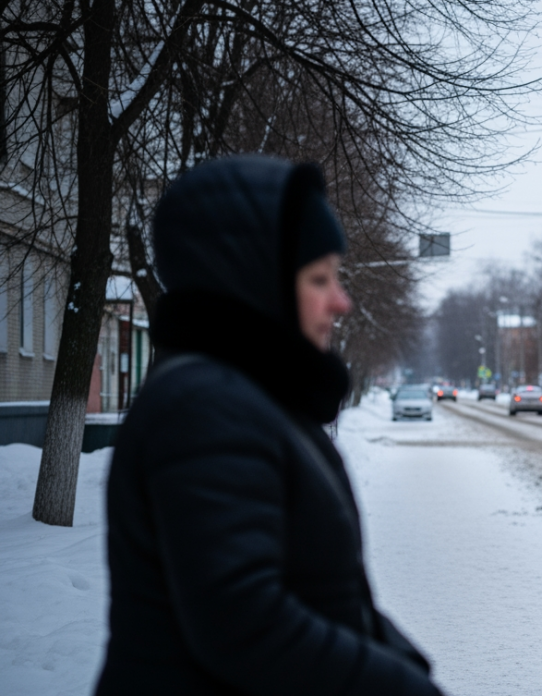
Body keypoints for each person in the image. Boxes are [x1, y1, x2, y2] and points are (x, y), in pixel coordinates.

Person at [95, 155, 444, 695]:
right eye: (319, 279)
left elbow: (320, 597)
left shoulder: (251, 397)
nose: (341, 301)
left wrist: (398, 656)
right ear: (256, 281)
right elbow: (244, 623)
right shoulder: (203, 407)